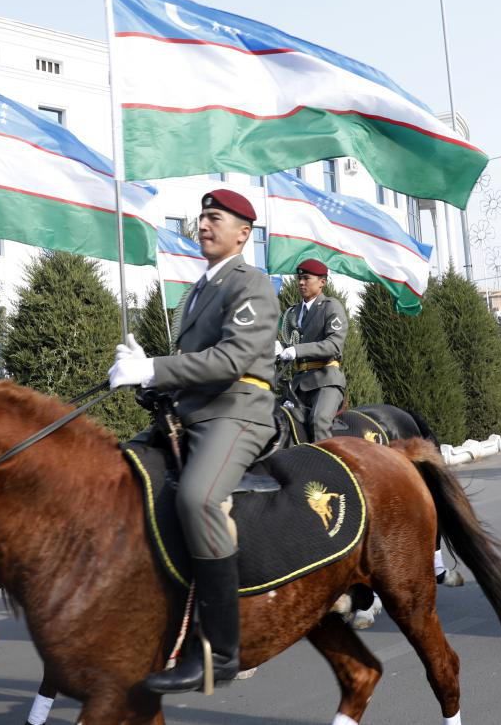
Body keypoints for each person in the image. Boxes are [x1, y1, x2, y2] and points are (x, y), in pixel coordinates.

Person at [108, 188, 278, 694]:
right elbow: (195, 365)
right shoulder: (198, 288)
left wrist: (155, 367)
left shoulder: (252, 283)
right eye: (202, 217)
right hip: (192, 410)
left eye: (215, 218)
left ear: (243, 233)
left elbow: (230, 362)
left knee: (199, 499)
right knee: (118, 471)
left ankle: (221, 653)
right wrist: (150, 375)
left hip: (237, 412)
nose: (203, 225)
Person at [277, 258, 348, 441]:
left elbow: (333, 345)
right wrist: (278, 348)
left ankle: (325, 469)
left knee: (319, 421)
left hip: (325, 380)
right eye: (299, 278)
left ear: (322, 282)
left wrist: (296, 351)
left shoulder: (331, 307)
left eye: (307, 278)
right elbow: (289, 342)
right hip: (299, 383)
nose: (301, 282)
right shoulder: (293, 312)